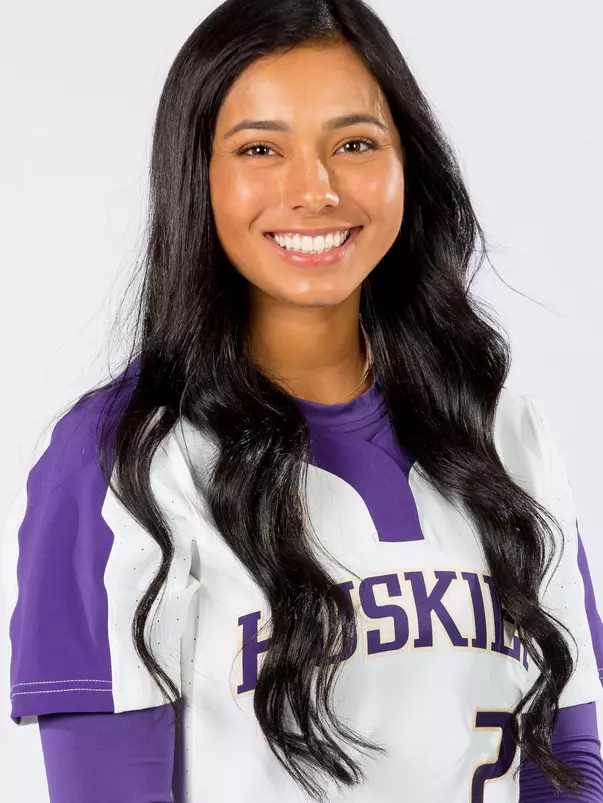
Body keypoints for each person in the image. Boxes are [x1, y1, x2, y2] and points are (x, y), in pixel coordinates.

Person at [4, 0, 603, 801]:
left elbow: (566, 769)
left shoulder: (504, 437)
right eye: (260, 148)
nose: (313, 188)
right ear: (198, 176)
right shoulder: (123, 460)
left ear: (407, 164)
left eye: (354, 143)